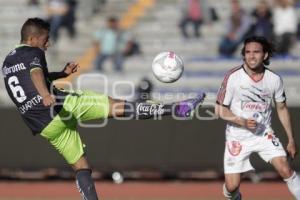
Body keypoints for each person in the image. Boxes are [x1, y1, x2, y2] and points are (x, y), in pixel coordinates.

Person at [2, 18, 205, 200]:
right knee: (118, 106)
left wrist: (61, 74)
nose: (48, 44)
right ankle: (177, 109)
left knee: (81, 166)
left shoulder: (9, 61)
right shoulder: (33, 52)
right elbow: (36, 73)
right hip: (59, 107)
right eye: (45, 39)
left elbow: (31, 77)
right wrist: (46, 95)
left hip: (43, 125)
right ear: (31, 38)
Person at [215, 36, 300, 200]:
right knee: (232, 186)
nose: (251, 56)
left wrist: (290, 139)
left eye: (256, 52)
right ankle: (234, 195)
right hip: (237, 136)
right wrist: (242, 121)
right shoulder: (233, 77)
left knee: (285, 169)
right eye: (247, 52)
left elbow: (281, 108)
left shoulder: (274, 80)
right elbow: (219, 110)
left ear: (265, 55)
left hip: (263, 133)